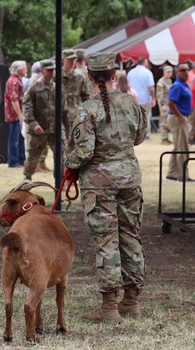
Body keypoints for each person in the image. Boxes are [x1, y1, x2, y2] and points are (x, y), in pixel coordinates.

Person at [64, 52, 147, 322]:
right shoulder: (132, 103)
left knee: (107, 241)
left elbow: (84, 150)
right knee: (130, 235)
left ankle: (110, 307)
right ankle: (131, 301)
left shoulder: (88, 109)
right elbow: (140, 138)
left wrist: (69, 164)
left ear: (88, 76)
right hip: (129, 180)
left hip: (99, 185)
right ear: (114, 75)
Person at [22, 59, 57, 181]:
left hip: (55, 130)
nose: (52, 72)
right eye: (49, 70)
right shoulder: (34, 88)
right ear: (42, 71)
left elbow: (63, 111)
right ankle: (27, 178)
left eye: (53, 70)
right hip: (39, 129)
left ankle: (60, 181)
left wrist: (67, 130)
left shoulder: (57, 88)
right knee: (33, 157)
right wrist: (33, 124)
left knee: (61, 157)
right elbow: (27, 108)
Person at [166, 63, 195, 182]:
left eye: (188, 69)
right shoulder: (177, 86)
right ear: (177, 72)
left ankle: (172, 173)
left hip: (180, 117)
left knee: (178, 146)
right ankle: (183, 176)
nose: (186, 72)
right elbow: (170, 103)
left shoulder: (184, 85)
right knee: (183, 148)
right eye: (183, 70)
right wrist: (180, 116)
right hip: (178, 118)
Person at [62, 49, 91, 150]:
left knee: (75, 146)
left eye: (74, 59)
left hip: (75, 115)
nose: (72, 62)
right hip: (61, 117)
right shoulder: (56, 77)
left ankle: (71, 166)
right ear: (63, 60)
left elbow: (85, 96)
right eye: (69, 60)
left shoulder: (79, 77)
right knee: (62, 145)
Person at [4, 60, 27, 168]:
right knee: (15, 138)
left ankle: (21, 159)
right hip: (14, 115)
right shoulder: (13, 81)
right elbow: (14, 99)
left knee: (20, 137)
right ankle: (13, 161)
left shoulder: (18, 80)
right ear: (19, 70)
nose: (26, 70)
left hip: (17, 114)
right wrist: (20, 114)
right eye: (25, 68)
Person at [155, 65, 174, 145]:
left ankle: (166, 138)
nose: (169, 73)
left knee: (168, 121)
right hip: (164, 104)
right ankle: (164, 138)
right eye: (167, 72)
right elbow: (159, 95)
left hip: (169, 103)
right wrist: (163, 104)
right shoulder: (161, 82)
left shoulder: (169, 80)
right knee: (163, 121)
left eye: (170, 72)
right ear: (164, 73)